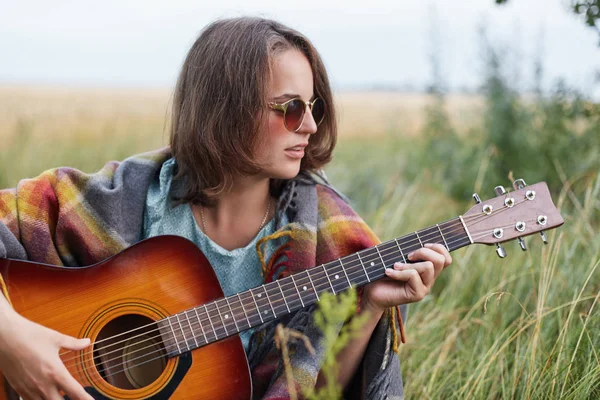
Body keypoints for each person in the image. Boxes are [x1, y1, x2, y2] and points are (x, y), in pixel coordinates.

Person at [0, 17, 452, 400]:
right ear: (226, 109)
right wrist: (13, 340)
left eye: (312, 107)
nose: (311, 126)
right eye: (290, 108)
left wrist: (371, 306)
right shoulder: (125, 198)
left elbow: (319, 390)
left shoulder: (331, 238)